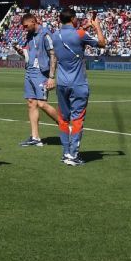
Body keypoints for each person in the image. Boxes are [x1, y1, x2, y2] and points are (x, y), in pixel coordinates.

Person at [51, 8, 106, 166]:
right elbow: (102, 43)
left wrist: (86, 27)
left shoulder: (55, 35)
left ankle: (66, 152)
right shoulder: (80, 35)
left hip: (61, 83)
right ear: (73, 19)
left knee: (63, 118)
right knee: (77, 119)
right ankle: (74, 155)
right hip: (78, 83)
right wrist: (97, 26)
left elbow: (72, 37)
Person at [17, 10, 62, 147]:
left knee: (42, 103)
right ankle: (35, 137)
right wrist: (22, 53)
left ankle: (65, 125)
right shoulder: (29, 36)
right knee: (31, 102)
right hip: (30, 72)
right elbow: (31, 55)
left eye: (26, 26)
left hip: (41, 73)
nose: (24, 29)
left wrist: (51, 77)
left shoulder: (45, 33)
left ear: (33, 21)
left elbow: (53, 54)